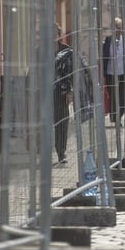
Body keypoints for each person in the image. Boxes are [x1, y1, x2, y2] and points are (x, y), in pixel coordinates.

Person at [102, 17, 125, 124]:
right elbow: (103, 58)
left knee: (122, 97)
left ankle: (119, 117)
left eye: (120, 27)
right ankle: (114, 117)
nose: (118, 29)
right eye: (116, 27)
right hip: (111, 74)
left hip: (123, 74)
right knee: (113, 96)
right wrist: (102, 74)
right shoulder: (107, 41)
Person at [54, 24, 73, 164]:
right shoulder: (39, 51)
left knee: (62, 124)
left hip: (61, 92)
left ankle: (61, 153)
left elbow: (71, 73)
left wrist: (70, 92)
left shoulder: (66, 50)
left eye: (55, 33)